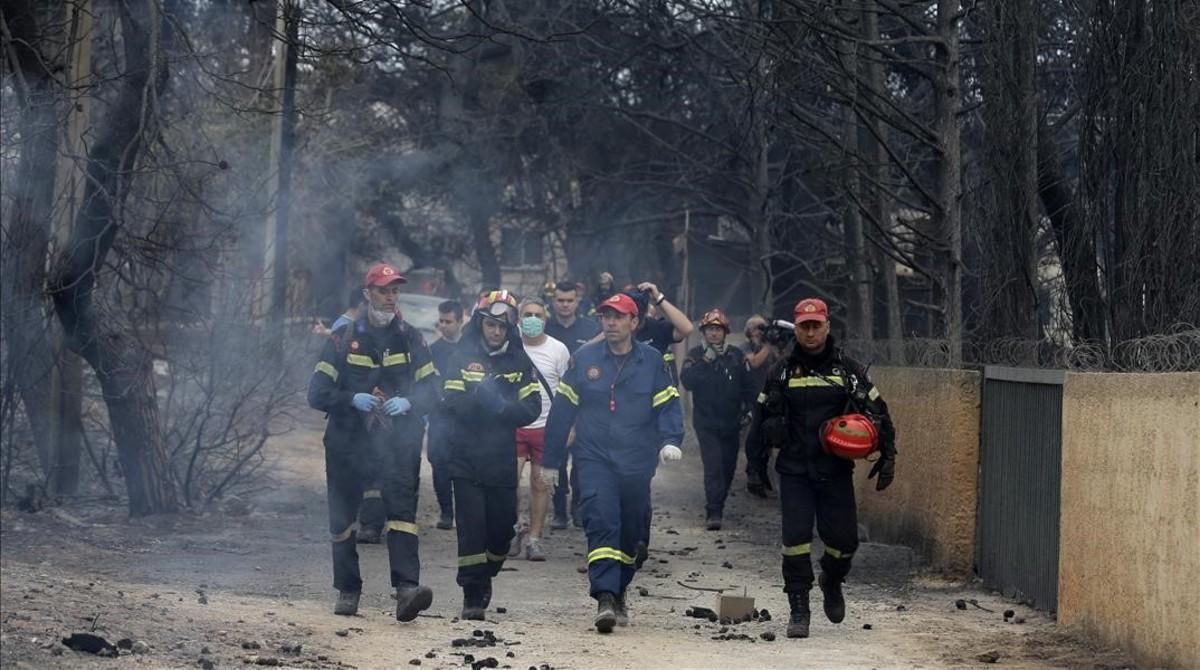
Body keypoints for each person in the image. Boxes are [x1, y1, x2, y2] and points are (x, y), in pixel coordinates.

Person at [749, 297, 897, 639]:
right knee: (796, 540)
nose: (811, 332)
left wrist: (888, 456)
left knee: (845, 541)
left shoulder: (848, 370)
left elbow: (879, 411)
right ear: (796, 328)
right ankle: (799, 609)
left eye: (817, 325)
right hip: (795, 470)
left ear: (827, 327)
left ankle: (831, 577)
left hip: (835, 470)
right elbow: (760, 422)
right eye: (805, 326)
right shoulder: (781, 371)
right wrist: (754, 468)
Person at [542, 292, 684, 634]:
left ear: (634, 323)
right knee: (601, 520)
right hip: (594, 458)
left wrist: (670, 441)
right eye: (606, 316)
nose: (610, 323)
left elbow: (667, 404)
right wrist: (551, 461)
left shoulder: (652, 361)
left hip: (636, 461)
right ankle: (604, 596)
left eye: (619, 317)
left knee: (633, 533)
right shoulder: (584, 358)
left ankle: (620, 588)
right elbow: (562, 412)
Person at [306, 263, 440, 621]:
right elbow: (317, 393)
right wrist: (351, 399)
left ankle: (407, 589)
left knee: (401, 514)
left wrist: (410, 402)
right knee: (342, 517)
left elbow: (433, 388)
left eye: (395, 290)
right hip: (348, 441)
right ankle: (348, 589)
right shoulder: (340, 338)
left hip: (398, 441)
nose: (390, 297)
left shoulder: (411, 337)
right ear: (368, 294)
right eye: (383, 290)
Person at [440, 290, 542, 620]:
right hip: (465, 456)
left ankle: (489, 571)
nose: (496, 331)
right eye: (490, 325)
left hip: (500, 457)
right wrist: (479, 400)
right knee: (471, 528)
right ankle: (472, 593)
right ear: (481, 322)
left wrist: (501, 408)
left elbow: (532, 407)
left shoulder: (518, 360)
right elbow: (451, 401)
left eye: (502, 326)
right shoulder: (460, 356)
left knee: (501, 530)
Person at [679, 308, 758, 530]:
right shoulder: (695, 354)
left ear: (725, 332)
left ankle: (719, 502)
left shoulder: (736, 355)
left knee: (728, 467)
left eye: (718, 329)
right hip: (706, 423)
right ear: (703, 332)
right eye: (710, 330)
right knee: (713, 467)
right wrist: (706, 360)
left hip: (732, 422)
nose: (714, 334)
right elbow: (688, 382)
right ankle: (714, 512)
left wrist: (750, 409)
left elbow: (749, 385)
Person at [512, 296, 571, 561]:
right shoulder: (510, 345)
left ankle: (534, 539)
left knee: (541, 484)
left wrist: (571, 426)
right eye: (527, 315)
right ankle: (513, 530)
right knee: (507, 482)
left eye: (537, 315)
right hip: (513, 425)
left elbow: (570, 392)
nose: (532, 320)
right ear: (518, 318)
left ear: (545, 320)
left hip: (547, 426)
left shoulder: (558, 350)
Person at [543, 281, 602, 529]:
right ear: (553, 301)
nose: (565, 305)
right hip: (555, 402)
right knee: (556, 457)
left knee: (582, 459)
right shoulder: (546, 329)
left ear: (577, 301)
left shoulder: (592, 329)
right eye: (560, 300)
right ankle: (558, 511)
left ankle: (578, 506)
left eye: (570, 300)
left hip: (586, 403)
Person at [427, 300, 465, 530]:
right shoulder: (433, 351)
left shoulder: (471, 348)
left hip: (465, 418)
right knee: (438, 462)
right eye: (441, 321)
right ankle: (445, 512)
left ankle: (464, 511)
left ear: (460, 321)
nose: (443, 326)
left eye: (448, 321)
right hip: (440, 416)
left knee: (462, 466)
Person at [742, 315, 782, 498]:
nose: (762, 331)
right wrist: (769, 345)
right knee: (754, 436)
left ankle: (761, 472)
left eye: (764, 327)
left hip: (771, 398)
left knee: (769, 438)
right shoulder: (745, 348)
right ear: (749, 331)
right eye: (759, 327)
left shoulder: (772, 350)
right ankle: (753, 473)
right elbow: (754, 362)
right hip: (751, 399)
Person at [624, 282, 694, 382]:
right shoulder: (615, 329)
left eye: (640, 310)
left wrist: (659, 298)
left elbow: (687, 328)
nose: (636, 317)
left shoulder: (655, 327)